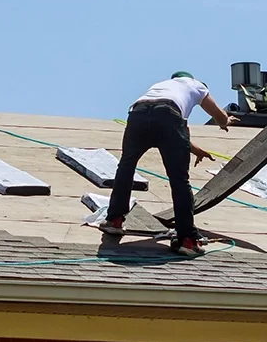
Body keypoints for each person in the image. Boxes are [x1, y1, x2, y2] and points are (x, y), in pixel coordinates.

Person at [100, 71, 239, 256]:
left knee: (126, 166)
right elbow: (214, 117)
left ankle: (114, 220)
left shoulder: (162, 87)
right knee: (179, 179)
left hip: (138, 113)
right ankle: (187, 240)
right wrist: (225, 121)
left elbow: (171, 127)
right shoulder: (197, 85)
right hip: (169, 116)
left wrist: (195, 149)